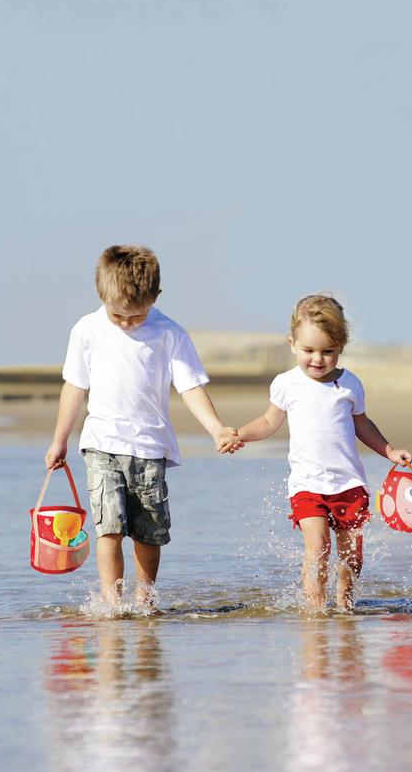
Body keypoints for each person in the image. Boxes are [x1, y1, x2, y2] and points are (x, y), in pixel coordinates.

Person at [45, 244, 241, 604]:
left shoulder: (169, 333)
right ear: (100, 294)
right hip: (101, 443)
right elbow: (74, 387)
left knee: (149, 533)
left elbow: (191, 387)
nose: (126, 323)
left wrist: (216, 429)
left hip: (149, 449)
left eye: (136, 317)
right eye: (118, 315)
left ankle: (145, 598)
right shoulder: (87, 330)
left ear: (156, 297)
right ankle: (112, 602)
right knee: (109, 528)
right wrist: (59, 440)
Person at [237, 294, 412, 612]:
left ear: (340, 348)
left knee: (351, 557)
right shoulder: (286, 384)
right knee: (317, 546)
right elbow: (267, 422)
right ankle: (315, 611)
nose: (317, 359)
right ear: (292, 344)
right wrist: (241, 435)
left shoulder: (350, 385)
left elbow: (364, 426)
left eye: (327, 351)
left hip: (349, 485)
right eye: (308, 350)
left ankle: (345, 607)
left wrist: (389, 451)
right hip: (307, 485)